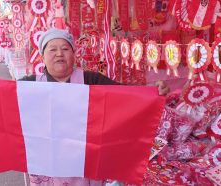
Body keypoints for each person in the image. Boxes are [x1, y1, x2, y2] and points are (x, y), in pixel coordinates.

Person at [20, 28, 170, 185]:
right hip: (47, 164)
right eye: (52, 49)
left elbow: (126, 96)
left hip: (85, 162)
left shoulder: (91, 80)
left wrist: (153, 91)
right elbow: (2, 104)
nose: (59, 54)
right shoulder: (29, 84)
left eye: (65, 49)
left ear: (74, 54)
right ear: (43, 57)